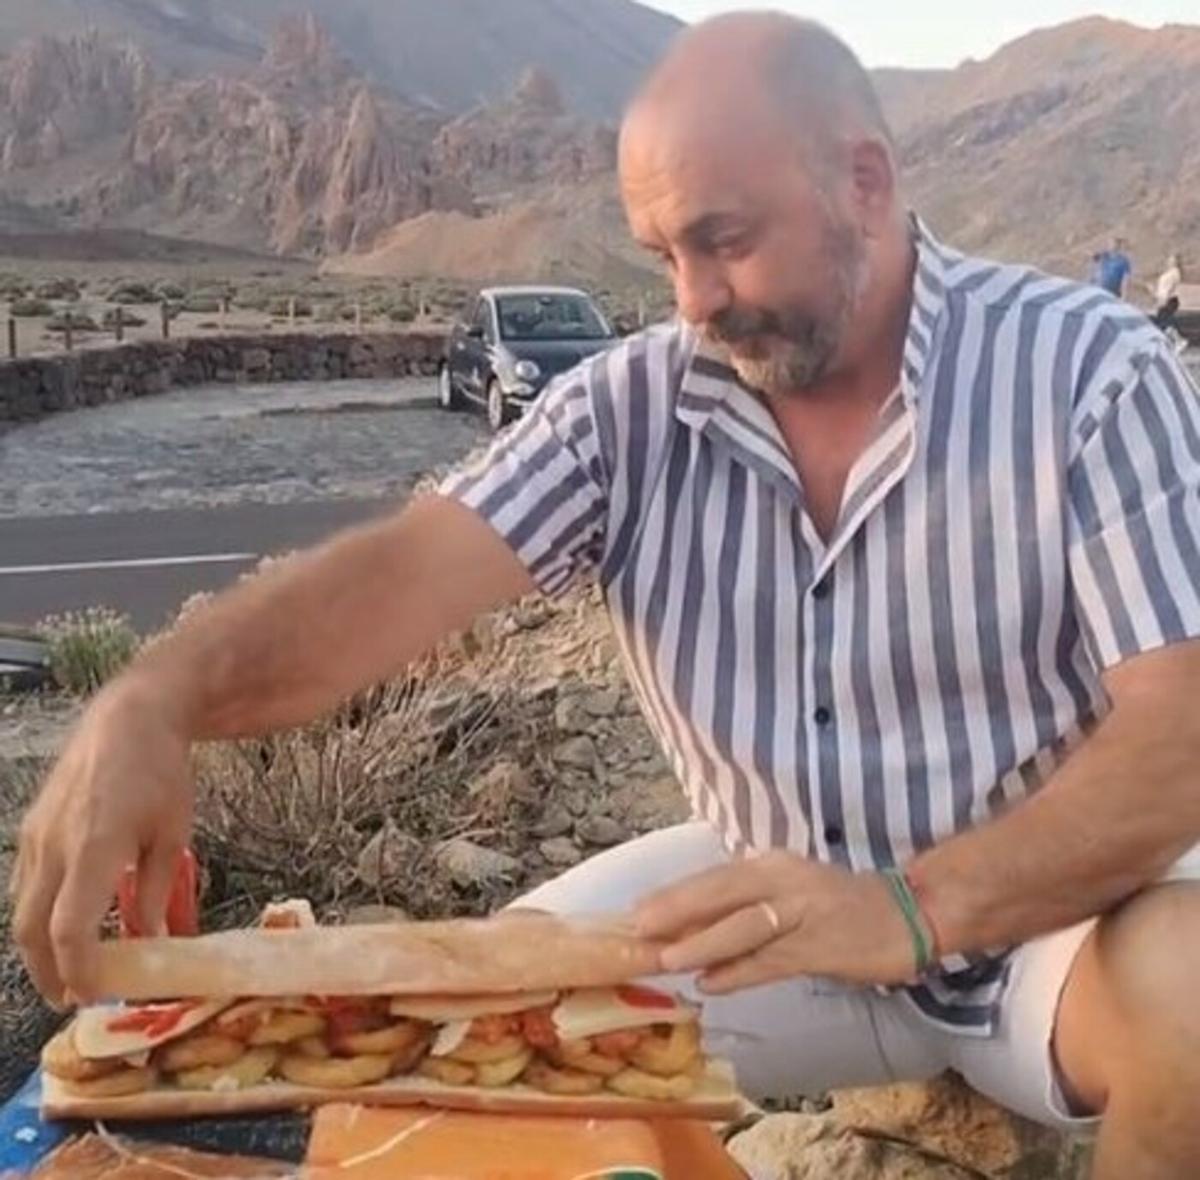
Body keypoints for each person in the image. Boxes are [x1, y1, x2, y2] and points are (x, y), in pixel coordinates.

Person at [12, 13, 1200, 1178]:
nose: (692, 298)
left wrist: (914, 904)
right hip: (756, 902)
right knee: (453, 1026)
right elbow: (396, 578)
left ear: (867, 182)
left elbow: (1179, 731)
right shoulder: (628, 407)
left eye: (724, 239)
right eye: (661, 254)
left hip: (1042, 917)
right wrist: (153, 698)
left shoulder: (1085, 374)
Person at [1153, 253, 1188, 355]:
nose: (1170, 261)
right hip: (1163, 298)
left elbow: (1169, 287)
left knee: (1165, 322)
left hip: (1169, 299)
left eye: (1172, 260)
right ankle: (1169, 344)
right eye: (1169, 259)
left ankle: (1179, 341)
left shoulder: (1174, 273)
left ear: (1176, 262)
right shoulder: (1169, 272)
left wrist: (1164, 299)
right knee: (1162, 322)